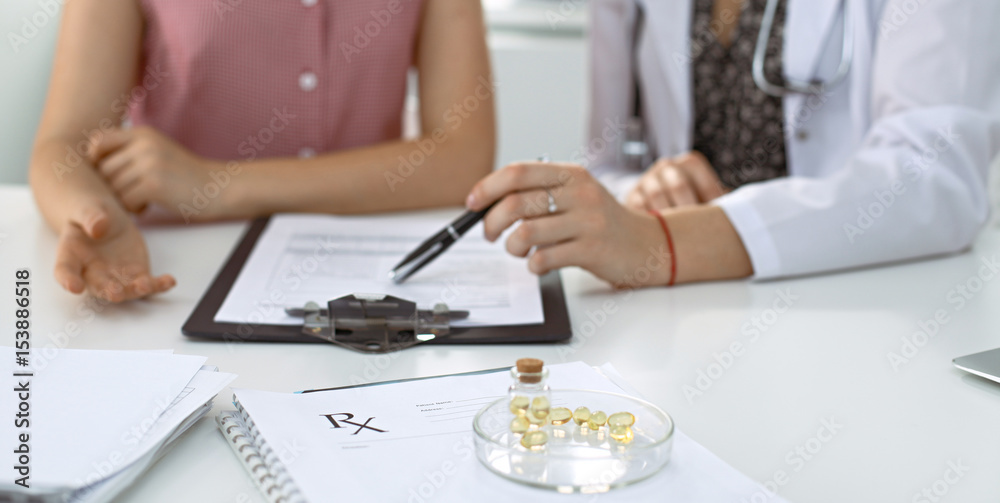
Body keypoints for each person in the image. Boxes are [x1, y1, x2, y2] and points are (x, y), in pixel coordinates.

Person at [467, 0, 1000, 287]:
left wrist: (666, 244)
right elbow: (611, 161)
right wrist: (644, 191)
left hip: (860, 305)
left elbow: (937, 176)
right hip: (688, 318)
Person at [29, 0, 495, 302]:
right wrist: (93, 214)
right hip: (179, 280)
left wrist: (216, 185)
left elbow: (463, 156)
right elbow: (63, 146)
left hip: (372, 277)